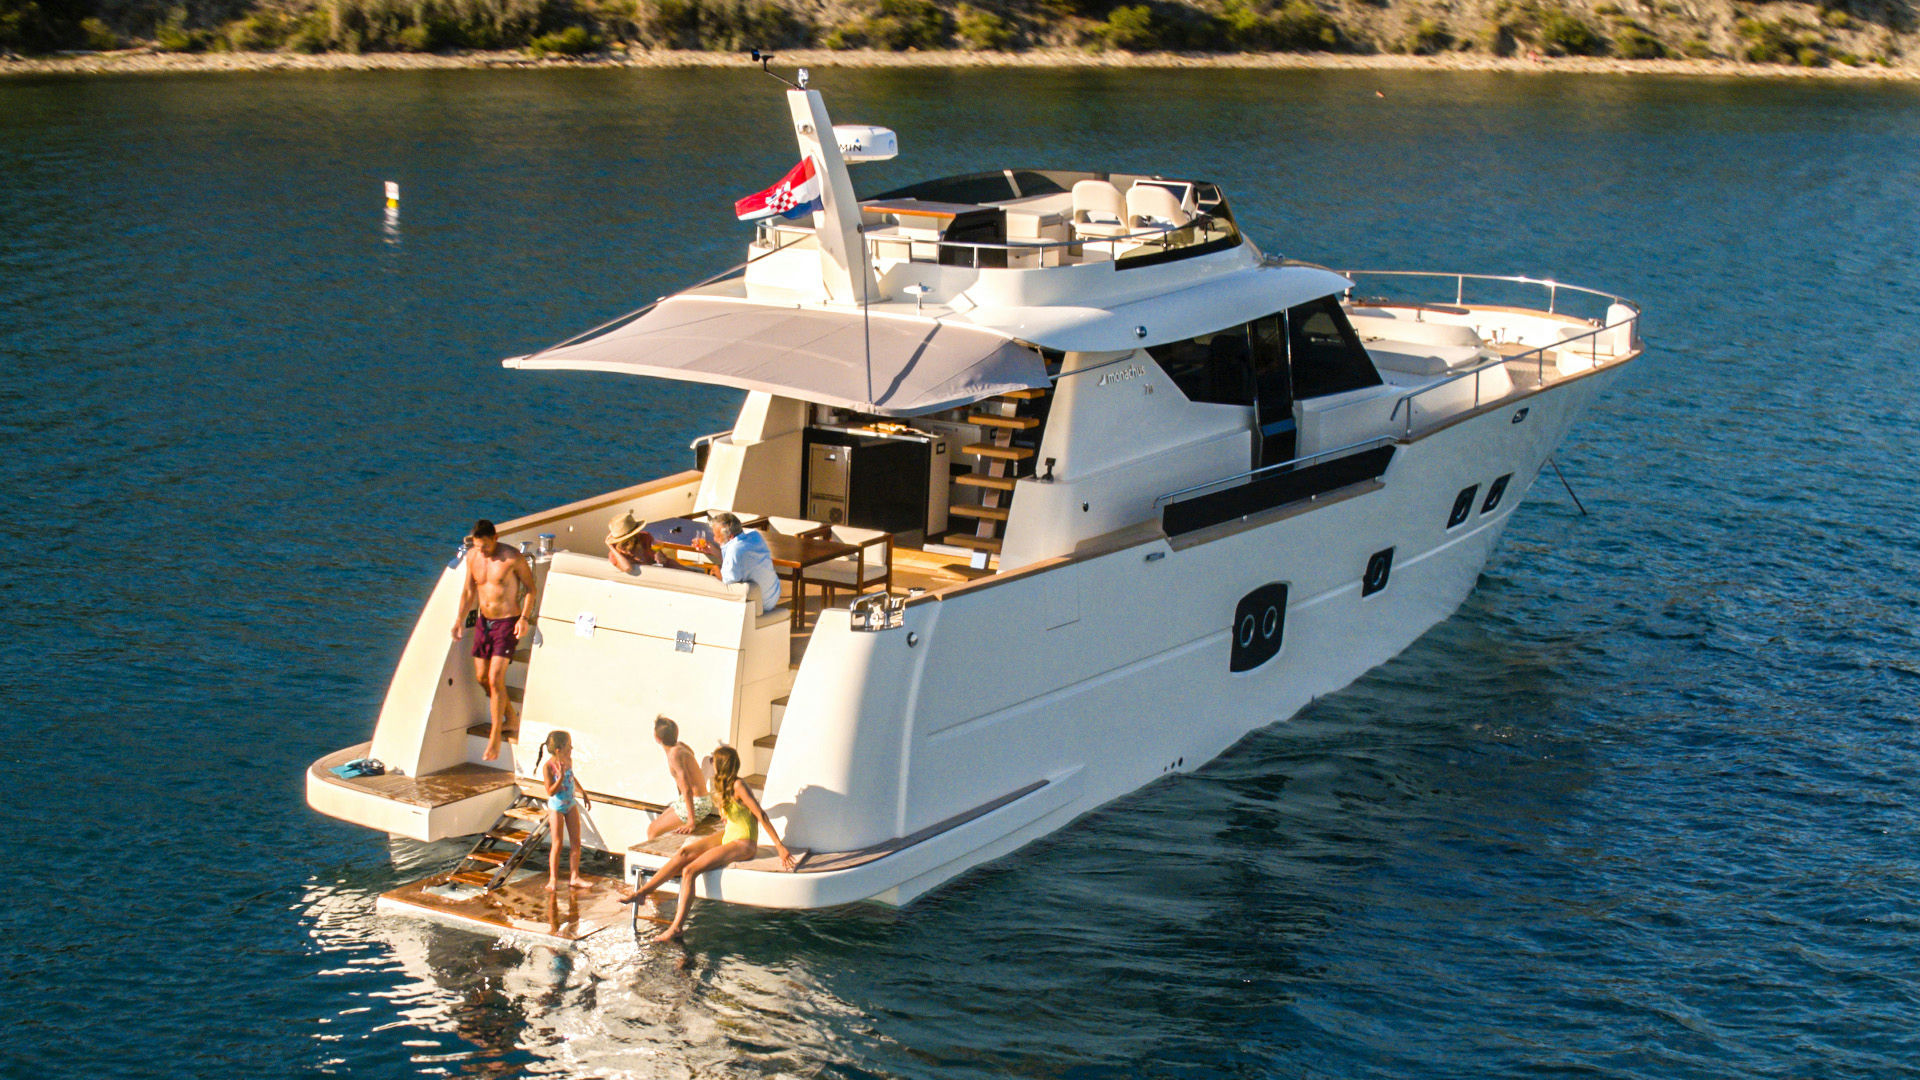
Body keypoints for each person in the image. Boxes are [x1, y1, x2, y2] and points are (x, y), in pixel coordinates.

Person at [619, 744, 794, 942]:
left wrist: (780, 846)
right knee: (684, 853)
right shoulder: (720, 786)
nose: (711, 763)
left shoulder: (738, 785)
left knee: (689, 870)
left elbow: (760, 814)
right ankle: (643, 892)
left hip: (744, 842)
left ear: (721, 765)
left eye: (713, 761)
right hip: (729, 835)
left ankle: (676, 928)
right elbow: (730, 815)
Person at [451, 519, 536, 761]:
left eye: (486, 546)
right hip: (484, 622)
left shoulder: (512, 558)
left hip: (507, 623)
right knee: (481, 678)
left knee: (495, 678)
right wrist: (459, 620)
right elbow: (469, 590)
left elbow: (531, 589)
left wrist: (524, 618)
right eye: (478, 546)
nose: (483, 551)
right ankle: (511, 718)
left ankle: (495, 736)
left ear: (495, 538)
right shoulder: (473, 556)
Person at [693, 512, 781, 614]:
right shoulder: (755, 536)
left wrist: (717, 572)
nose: (714, 539)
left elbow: (728, 585)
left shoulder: (734, 550)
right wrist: (714, 551)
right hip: (772, 597)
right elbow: (738, 562)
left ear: (730, 536)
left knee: (709, 583)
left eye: (717, 536)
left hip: (759, 605)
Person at [645, 716, 715, 840]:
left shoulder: (674, 755)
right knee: (652, 827)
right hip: (696, 800)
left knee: (653, 832)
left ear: (657, 738)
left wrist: (691, 821)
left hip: (698, 803)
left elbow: (687, 788)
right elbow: (691, 758)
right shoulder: (680, 746)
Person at [540, 729, 592, 891]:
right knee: (558, 843)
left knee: (576, 842)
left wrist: (583, 792)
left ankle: (574, 876)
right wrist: (560, 777)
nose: (572, 748)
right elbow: (550, 791)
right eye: (569, 746)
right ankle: (553, 879)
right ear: (558, 750)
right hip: (556, 807)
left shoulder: (568, 760)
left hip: (570, 804)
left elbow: (572, 776)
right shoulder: (548, 767)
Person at [606, 510, 685, 573]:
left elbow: (658, 554)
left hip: (658, 570)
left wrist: (660, 556)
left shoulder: (644, 536)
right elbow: (627, 568)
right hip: (649, 576)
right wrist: (611, 547)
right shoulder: (615, 554)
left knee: (685, 570)